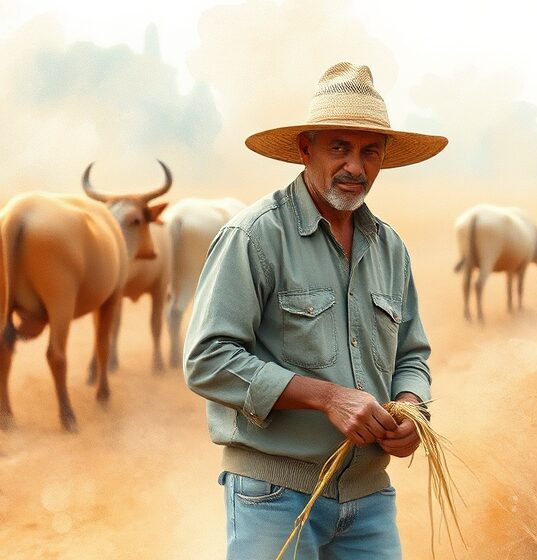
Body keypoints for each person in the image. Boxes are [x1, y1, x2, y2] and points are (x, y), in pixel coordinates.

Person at [183, 62, 447, 559]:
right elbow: (207, 360)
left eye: (370, 151)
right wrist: (327, 397)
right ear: (306, 149)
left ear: (384, 158)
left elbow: (412, 353)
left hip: (368, 499)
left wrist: (412, 407)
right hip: (273, 496)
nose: (355, 167)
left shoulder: (391, 249)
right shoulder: (254, 236)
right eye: (339, 148)